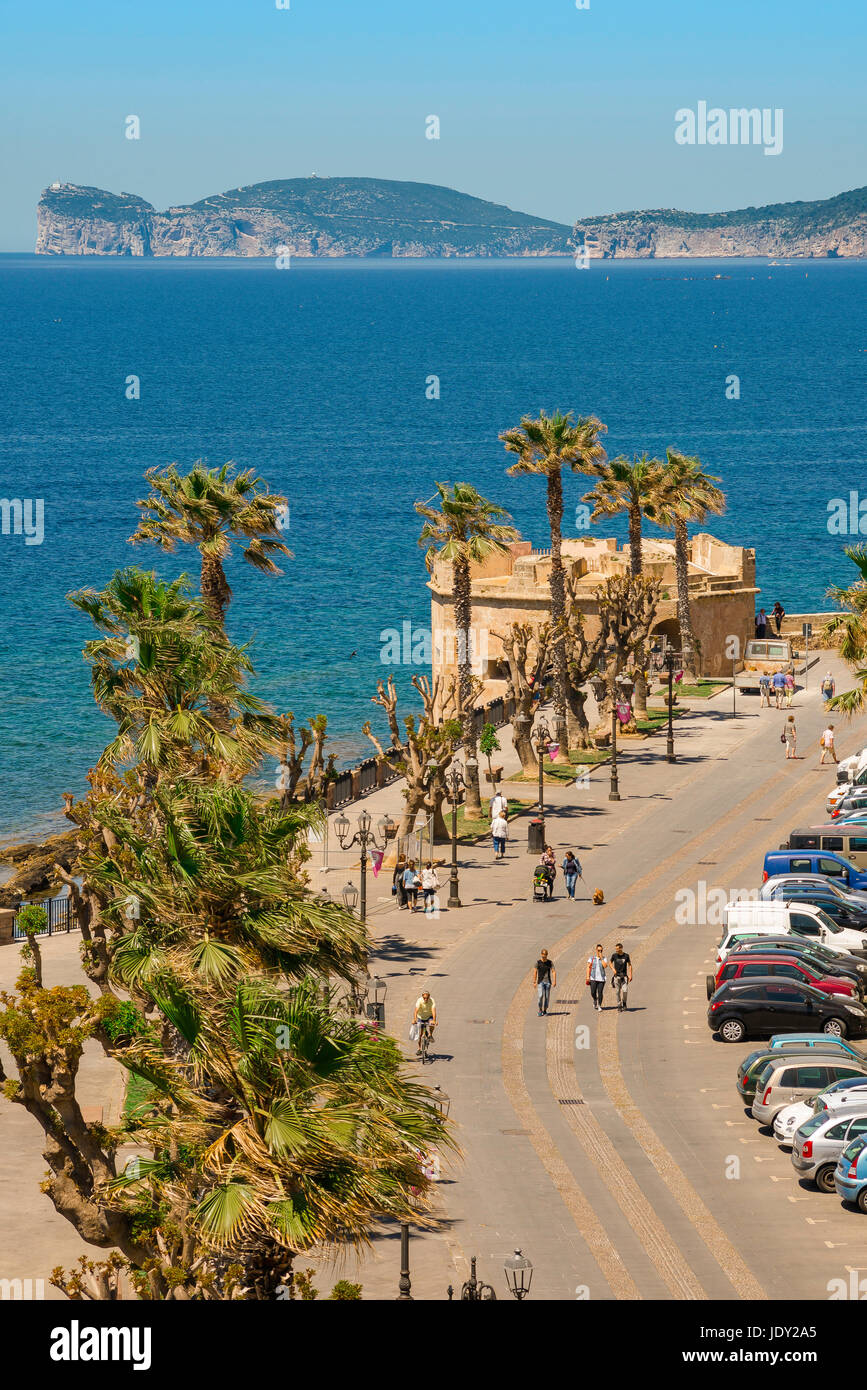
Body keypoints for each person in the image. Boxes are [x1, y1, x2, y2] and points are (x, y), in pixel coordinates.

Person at [610, 942, 633, 1012]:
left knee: (625, 990)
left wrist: (630, 974)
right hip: (616, 977)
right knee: (617, 992)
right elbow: (610, 963)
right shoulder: (614, 955)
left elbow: (630, 965)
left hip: (624, 977)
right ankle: (619, 1005)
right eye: (615, 949)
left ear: (621, 948)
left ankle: (624, 1002)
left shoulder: (626, 956)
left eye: (617, 949)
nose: (616, 950)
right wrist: (613, 969)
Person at [412, 990, 437, 1055]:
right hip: (421, 1017)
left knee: (431, 1024)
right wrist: (414, 1019)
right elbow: (415, 1011)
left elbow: (433, 1011)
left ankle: (430, 1035)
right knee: (420, 1035)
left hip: (429, 1016)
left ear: (429, 997)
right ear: (422, 997)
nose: (426, 999)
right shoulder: (419, 1001)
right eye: (424, 998)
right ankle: (419, 1049)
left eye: (427, 998)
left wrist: (434, 1020)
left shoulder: (432, 1001)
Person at [533, 949, 556, 1016]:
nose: (544, 957)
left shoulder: (550, 962)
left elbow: (553, 971)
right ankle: (540, 1010)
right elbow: (535, 972)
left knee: (546, 997)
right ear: (541, 954)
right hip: (540, 982)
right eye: (543, 955)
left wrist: (554, 981)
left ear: (547, 955)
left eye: (545, 956)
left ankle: (545, 1010)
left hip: (548, 982)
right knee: (540, 996)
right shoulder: (538, 963)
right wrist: (534, 981)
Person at [586, 944, 609, 1011]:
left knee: (600, 992)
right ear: (596, 950)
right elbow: (588, 967)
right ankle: (595, 1000)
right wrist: (587, 976)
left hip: (601, 979)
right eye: (598, 950)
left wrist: (601, 958)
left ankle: (599, 1005)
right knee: (593, 992)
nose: (600, 952)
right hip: (593, 978)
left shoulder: (604, 958)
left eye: (601, 950)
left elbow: (605, 966)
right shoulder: (591, 958)